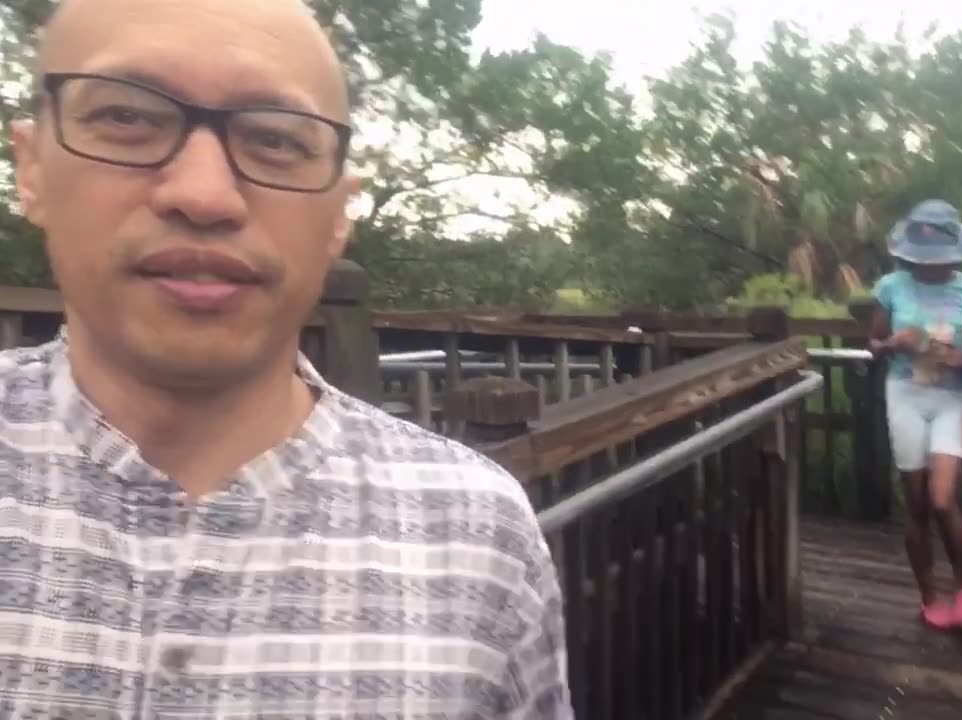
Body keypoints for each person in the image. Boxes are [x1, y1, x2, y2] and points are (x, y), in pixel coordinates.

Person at [2, 0, 572, 716]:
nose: (204, 195)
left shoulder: (478, 533)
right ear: (31, 167)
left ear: (339, 215)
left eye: (275, 139)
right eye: (127, 118)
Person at [868, 199, 962, 631]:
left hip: (951, 399)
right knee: (916, 504)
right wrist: (892, 344)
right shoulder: (890, 288)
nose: (932, 265)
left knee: (943, 498)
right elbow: (874, 345)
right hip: (904, 393)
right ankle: (928, 596)